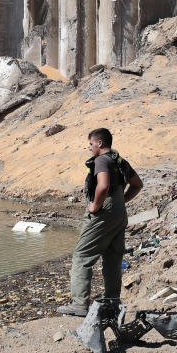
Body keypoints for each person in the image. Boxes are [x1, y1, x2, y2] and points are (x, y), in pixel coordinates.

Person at [58, 128, 143, 317]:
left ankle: (79, 304)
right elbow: (138, 184)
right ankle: (112, 303)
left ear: (100, 144)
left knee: (82, 255)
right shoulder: (119, 160)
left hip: (104, 213)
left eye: (91, 144)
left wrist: (96, 205)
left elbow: (103, 186)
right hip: (120, 214)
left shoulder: (102, 160)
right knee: (113, 259)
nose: (89, 148)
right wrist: (121, 201)